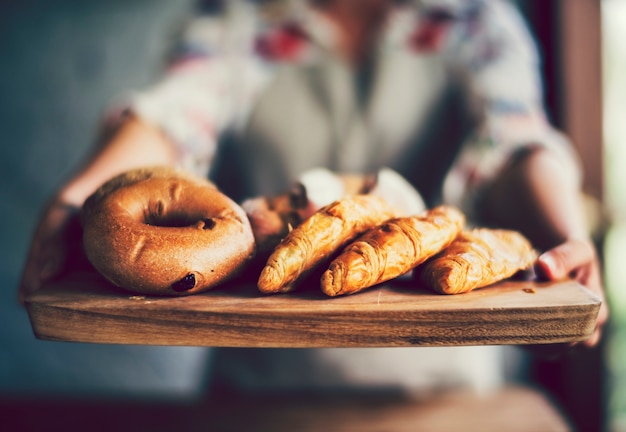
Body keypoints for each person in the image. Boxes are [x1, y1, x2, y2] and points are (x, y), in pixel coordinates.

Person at [20, 0, 607, 396]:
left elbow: (513, 143)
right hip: (262, 383)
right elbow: (173, 118)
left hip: (442, 383)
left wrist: (563, 229)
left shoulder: (472, 18)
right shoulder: (240, 18)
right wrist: (84, 194)